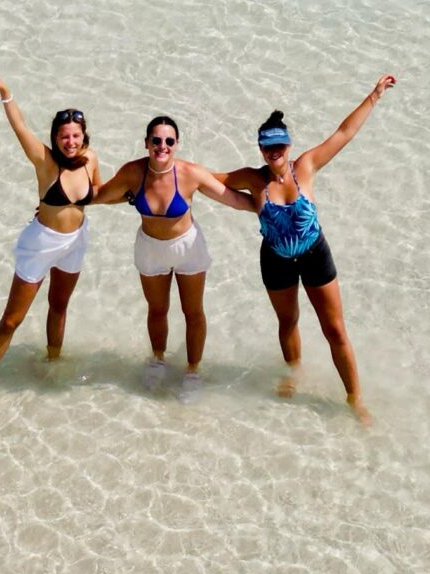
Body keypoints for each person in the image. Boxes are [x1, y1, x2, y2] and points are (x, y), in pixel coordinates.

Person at [226, 78, 395, 422]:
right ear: (260, 149)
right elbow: (205, 180)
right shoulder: (253, 179)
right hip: (275, 259)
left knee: (334, 329)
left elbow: (343, 133)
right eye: (267, 147)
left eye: (279, 145)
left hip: (315, 254)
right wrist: (168, 170)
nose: (274, 152)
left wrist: (374, 96)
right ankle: (293, 375)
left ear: (288, 145)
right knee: (288, 321)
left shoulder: (306, 165)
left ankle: (354, 399)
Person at [93, 117, 253, 397]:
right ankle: (157, 360)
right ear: (146, 143)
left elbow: (236, 199)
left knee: (193, 312)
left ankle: (193, 371)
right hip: (149, 248)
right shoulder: (132, 172)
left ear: (177, 144)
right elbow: (101, 196)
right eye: (156, 140)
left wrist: (275, 209)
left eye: (169, 141)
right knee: (157, 310)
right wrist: (57, 205)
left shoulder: (191, 173)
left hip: (188, 248)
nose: (162, 146)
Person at [0, 65, 100, 394]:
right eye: (63, 136)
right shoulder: (44, 161)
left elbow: (98, 193)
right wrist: (5, 92)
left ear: (83, 135)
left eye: (75, 135)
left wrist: (137, 194)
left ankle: (52, 363)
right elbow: (20, 126)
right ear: (55, 138)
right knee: (12, 319)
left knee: (59, 305)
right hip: (40, 244)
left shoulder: (91, 159)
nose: (70, 141)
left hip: (76, 241)